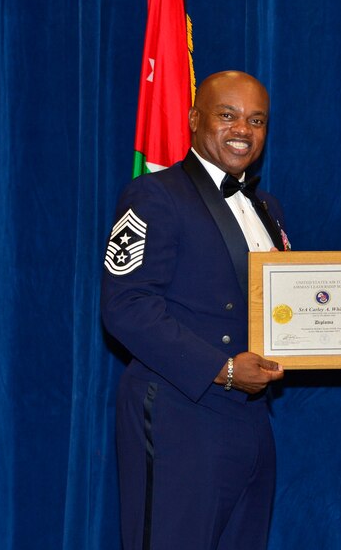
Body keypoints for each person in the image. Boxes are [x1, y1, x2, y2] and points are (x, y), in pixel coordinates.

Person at [101, 71, 287, 550]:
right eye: (227, 115)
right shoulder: (153, 195)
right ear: (193, 119)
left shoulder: (267, 206)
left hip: (251, 419)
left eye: (256, 119)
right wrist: (222, 368)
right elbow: (125, 306)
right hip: (180, 414)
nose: (243, 130)